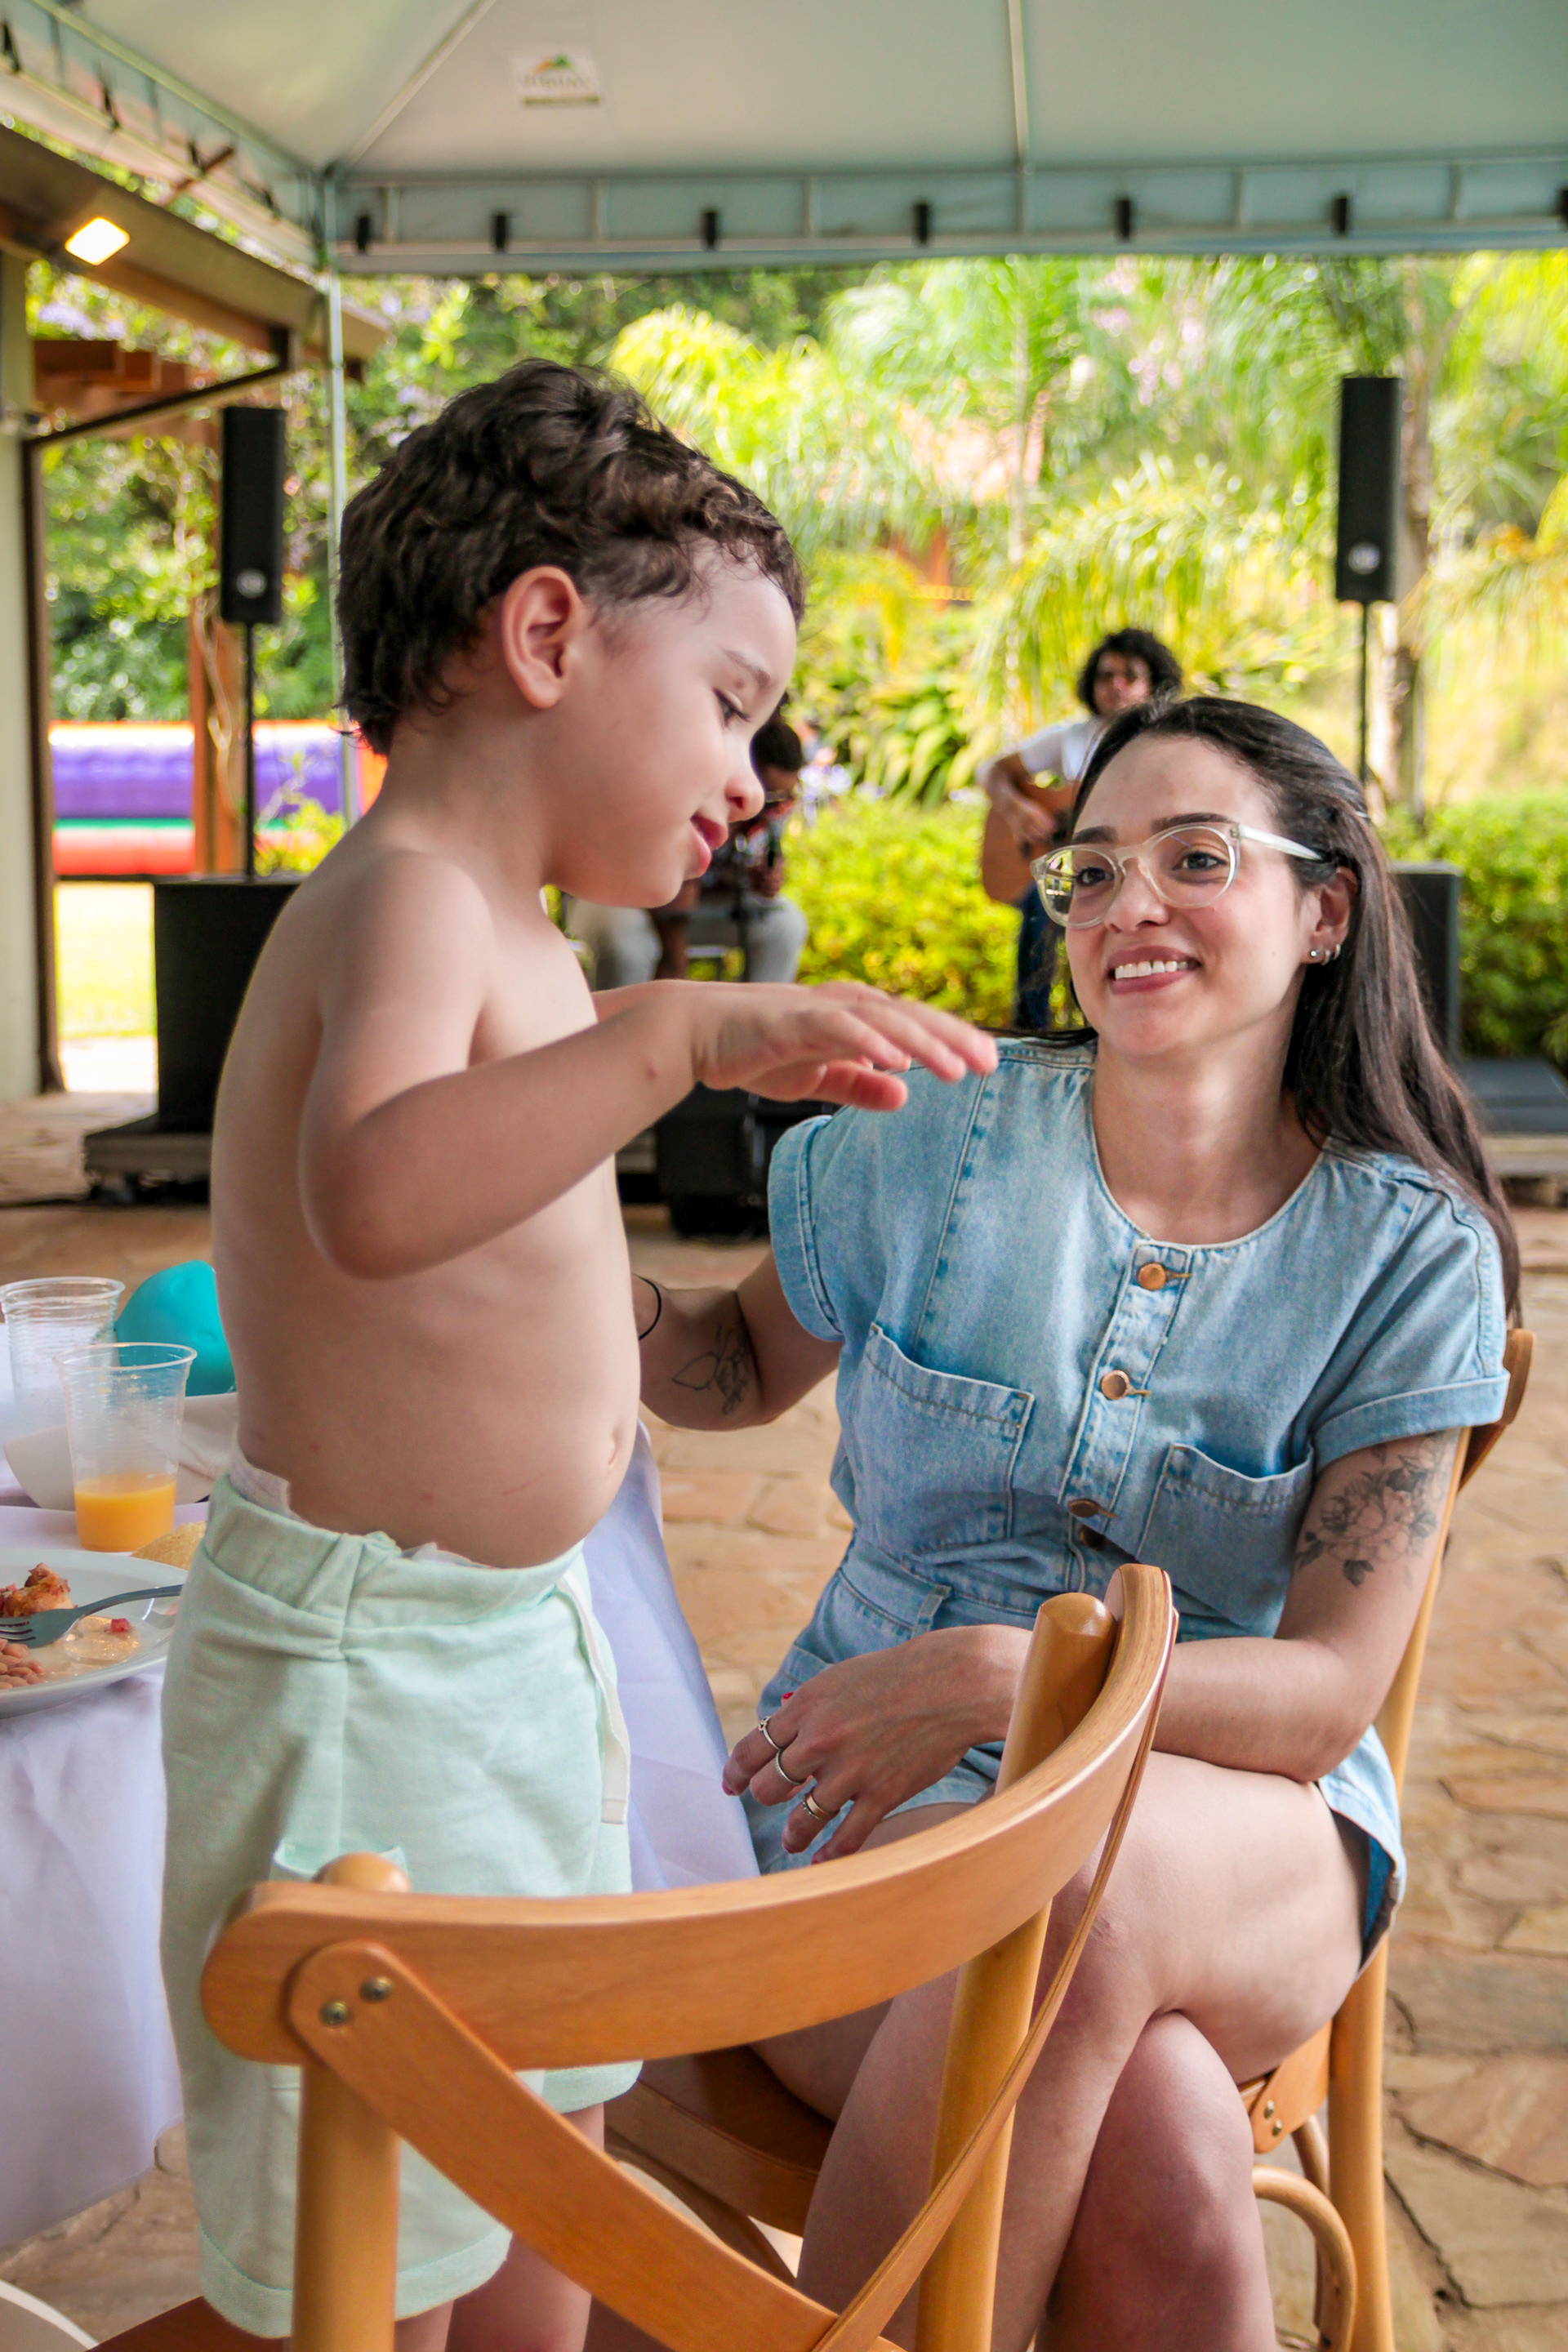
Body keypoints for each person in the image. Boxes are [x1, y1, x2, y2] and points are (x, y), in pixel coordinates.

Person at [157, 359, 996, 2352]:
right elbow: (371, 1191)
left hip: (505, 1650)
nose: (750, 764)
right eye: (727, 699)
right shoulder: (408, 902)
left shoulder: (522, 935)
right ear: (545, 632)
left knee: (537, 2147)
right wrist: (679, 1042)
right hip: (363, 1680)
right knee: (373, 2216)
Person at [636, 697, 1514, 2352]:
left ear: (1325, 908)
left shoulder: (1408, 1255)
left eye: (1198, 859)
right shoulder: (944, 1140)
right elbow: (738, 1364)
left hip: (1247, 1825)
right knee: (1161, 2130)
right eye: (1091, 870)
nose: (1130, 906)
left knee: (1069, 1889)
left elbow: (1324, 1696)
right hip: (883, 1818)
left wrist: (1007, 1681)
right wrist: (548, 1268)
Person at [979, 628, 1182, 1028]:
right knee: (1043, 901)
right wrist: (1017, 811)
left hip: (1136, 876)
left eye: (1130, 676)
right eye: (1105, 676)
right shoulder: (1071, 738)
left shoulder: (1167, 742)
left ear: (1154, 683)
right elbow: (992, 770)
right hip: (1074, 875)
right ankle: (1030, 1030)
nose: (1115, 686)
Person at [568, 714, 810, 987]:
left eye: (785, 796)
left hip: (701, 910)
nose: (772, 806)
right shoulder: (688, 783)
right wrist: (675, 957)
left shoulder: (773, 808)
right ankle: (616, 1028)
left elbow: (758, 864)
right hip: (622, 897)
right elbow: (672, 875)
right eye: (769, 795)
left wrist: (763, 879)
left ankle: (754, 1024)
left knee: (785, 925)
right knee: (627, 946)